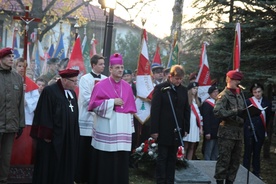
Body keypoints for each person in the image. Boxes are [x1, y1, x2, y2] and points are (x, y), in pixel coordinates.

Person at [88, 53, 137, 184]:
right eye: (117, 67)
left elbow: (131, 110)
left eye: (122, 67)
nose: (120, 70)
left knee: (120, 158)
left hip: (122, 128)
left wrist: (131, 128)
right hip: (107, 127)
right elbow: (93, 106)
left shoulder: (127, 87)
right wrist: (111, 102)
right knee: (106, 158)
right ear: (110, 69)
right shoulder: (100, 85)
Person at [30, 68, 80, 184]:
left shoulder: (72, 93)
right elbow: (44, 113)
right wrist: (46, 134)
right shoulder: (50, 91)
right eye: (74, 81)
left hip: (67, 138)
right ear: (64, 80)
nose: (76, 84)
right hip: (53, 139)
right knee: (51, 165)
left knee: (65, 163)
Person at [151, 65, 190, 184]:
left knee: (172, 157)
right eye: (176, 78)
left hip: (177, 129)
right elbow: (155, 110)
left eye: (180, 79)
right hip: (163, 128)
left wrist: (186, 128)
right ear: (170, 76)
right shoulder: (161, 88)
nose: (178, 81)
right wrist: (154, 130)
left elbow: (186, 110)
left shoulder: (183, 90)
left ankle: (170, 180)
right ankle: (161, 180)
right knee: (162, 157)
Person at [75, 54, 106, 183]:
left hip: (100, 119)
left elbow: (107, 97)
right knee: (84, 149)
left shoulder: (105, 79)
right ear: (93, 65)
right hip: (86, 119)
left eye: (104, 64)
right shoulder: (84, 79)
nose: (103, 66)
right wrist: (100, 108)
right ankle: (80, 177)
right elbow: (86, 99)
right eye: (100, 64)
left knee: (96, 150)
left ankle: (93, 177)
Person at [213, 70, 245, 184]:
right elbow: (217, 112)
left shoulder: (239, 94)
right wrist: (234, 112)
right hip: (227, 133)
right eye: (237, 80)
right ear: (230, 80)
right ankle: (220, 181)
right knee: (224, 160)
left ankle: (230, 181)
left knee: (235, 161)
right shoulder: (223, 95)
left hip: (238, 133)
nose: (239, 82)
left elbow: (242, 110)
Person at [0, 47, 25, 184]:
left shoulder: (17, 78)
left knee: (6, 155)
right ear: (1, 59)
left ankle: (3, 179)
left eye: (12, 57)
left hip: (11, 124)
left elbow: (20, 102)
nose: (11, 59)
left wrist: (21, 124)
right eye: (8, 56)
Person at [243, 83, 272, 178]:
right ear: (252, 93)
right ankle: (244, 171)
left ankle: (256, 173)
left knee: (257, 152)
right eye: (255, 92)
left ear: (262, 92)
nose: (257, 94)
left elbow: (268, 118)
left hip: (260, 131)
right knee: (247, 152)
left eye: (259, 91)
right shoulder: (248, 102)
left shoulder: (267, 103)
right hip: (249, 130)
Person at [183, 82, 203, 160]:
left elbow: (200, 115)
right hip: (188, 124)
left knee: (192, 145)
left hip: (195, 124)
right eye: (194, 88)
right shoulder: (186, 99)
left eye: (196, 89)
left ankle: (189, 162)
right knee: (186, 145)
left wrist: (201, 127)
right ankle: (183, 160)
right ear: (190, 89)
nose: (195, 90)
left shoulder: (198, 100)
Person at [202, 85, 220, 160]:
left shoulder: (218, 103)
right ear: (210, 94)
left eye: (217, 92)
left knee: (215, 152)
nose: (216, 93)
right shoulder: (207, 104)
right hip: (210, 131)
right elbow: (206, 119)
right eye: (214, 92)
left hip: (218, 131)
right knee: (208, 151)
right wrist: (207, 132)